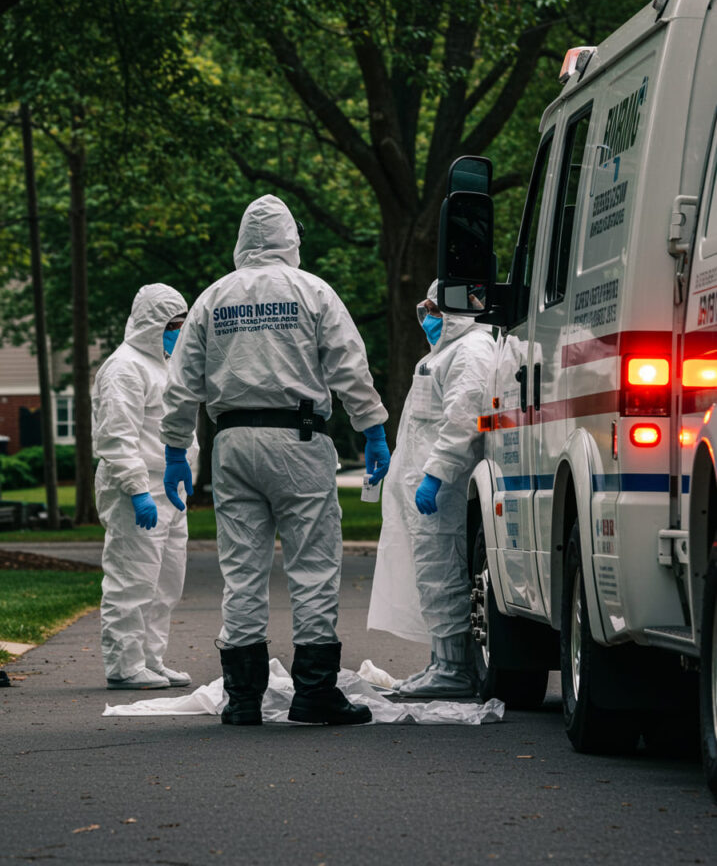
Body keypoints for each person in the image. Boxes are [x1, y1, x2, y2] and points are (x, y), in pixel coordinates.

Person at [160, 194, 390, 726]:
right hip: (298, 439)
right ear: (292, 239)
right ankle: (314, 692)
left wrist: (175, 450)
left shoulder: (213, 298)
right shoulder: (312, 292)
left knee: (241, 569)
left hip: (232, 442)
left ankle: (242, 700)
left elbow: (181, 385)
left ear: (242, 241)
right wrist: (372, 428)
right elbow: (349, 365)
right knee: (312, 564)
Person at [367, 280, 495, 697]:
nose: (426, 317)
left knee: (445, 575)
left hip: (444, 490)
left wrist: (436, 474)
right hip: (427, 489)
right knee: (433, 575)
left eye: (433, 309)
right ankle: (443, 662)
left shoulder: (471, 351)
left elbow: (463, 420)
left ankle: (455, 668)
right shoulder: (444, 353)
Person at [93, 283, 198, 690]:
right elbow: (117, 437)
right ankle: (124, 665)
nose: (177, 331)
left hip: (170, 489)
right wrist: (137, 490)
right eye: (172, 324)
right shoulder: (125, 367)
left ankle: (150, 659)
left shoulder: (164, 363)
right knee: (132, 578)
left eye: (181, 324)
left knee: (165, 581)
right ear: (151, 323)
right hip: (137, 487)